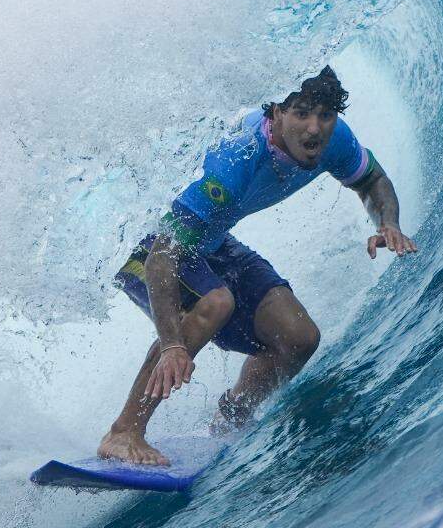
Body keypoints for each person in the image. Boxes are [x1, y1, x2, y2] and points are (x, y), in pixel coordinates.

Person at [99, 66, 417, 464]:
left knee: (298, 337)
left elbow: (371, 181)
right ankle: (124, 431)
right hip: (146, 242)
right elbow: (162, 256)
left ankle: (232, 414)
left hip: (209, 239)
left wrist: (388, 224)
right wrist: (173, 345)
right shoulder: (237, 160)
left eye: (325, 115)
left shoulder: (335, 141)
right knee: (215, 303)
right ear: (276, 113)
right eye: (301, 113)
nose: (314, 128)